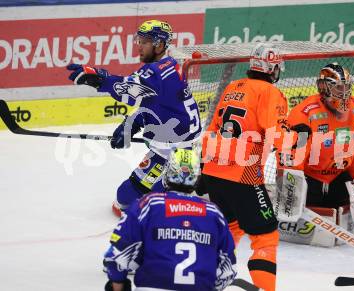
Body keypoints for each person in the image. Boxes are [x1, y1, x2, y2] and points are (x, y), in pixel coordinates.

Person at [66, 20, 201, 216]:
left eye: (145, 41)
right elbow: (152, 102)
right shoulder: (169, 64)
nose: (139, 45)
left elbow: (127, 91)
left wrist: (97, 78)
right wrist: (131, 124)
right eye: (139, 40)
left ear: (160, 44)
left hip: (176, 151)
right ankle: (186, 183)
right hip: (183, 146)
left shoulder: (156, 72)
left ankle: (182, 184)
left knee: (130, 201)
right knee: (132, 197)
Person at [200, 42, 288, 291]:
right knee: (266, 237)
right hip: (244, 176)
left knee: (231, 227)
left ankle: (206, 281)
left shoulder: (232, 87)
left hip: (213, 172)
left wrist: (202, 168)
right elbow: (278, 135)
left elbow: (212, 129)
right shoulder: (270, 92)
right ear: (272, 69)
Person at [103, 148, 237, 291]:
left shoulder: (148, 204)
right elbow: (228, 269)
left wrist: (118, 282)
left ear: (167, 173)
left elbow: (117, 254)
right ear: (197, 178)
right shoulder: (214, 213)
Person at [283, 62, 354, 231]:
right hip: (310, 180)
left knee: (351, 205)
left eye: (346, 87)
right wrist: (291, 194)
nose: (344, 94)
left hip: (340, 180)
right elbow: (292, 157)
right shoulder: (305, 113)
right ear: (324, 88)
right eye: (338, 88)